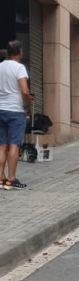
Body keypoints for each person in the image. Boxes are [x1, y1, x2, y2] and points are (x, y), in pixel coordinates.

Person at [0, 41, 31, 190]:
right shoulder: (19, 68)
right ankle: (11, 179)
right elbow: (25, 91)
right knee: (14, 145)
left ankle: (0, 178)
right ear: (19, 52)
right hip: (15, 111)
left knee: (1, 145)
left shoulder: (0, 67)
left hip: (0, 110)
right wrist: (27, 104)